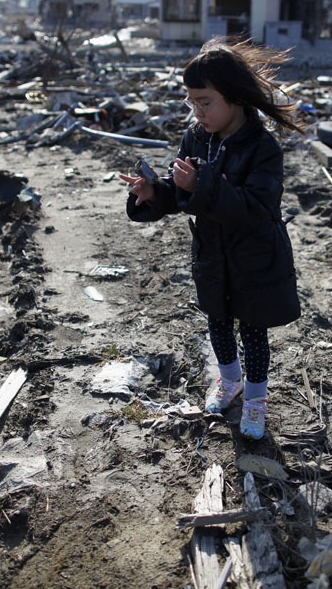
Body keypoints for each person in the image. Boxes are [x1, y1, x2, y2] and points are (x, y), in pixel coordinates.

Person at [119, 37, 303, 440]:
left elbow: (257, 205)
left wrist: (201, 185)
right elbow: (183, 191)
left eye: (205, 102)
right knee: (217, 324)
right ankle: (229, 382)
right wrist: (156, 192)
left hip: (255, 258)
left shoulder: (262, 147)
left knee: (253, 334)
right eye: (191, 102)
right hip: (212, 256)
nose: (197, 112)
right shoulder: (196, 136)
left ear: (234, 97)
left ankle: (255, 401)